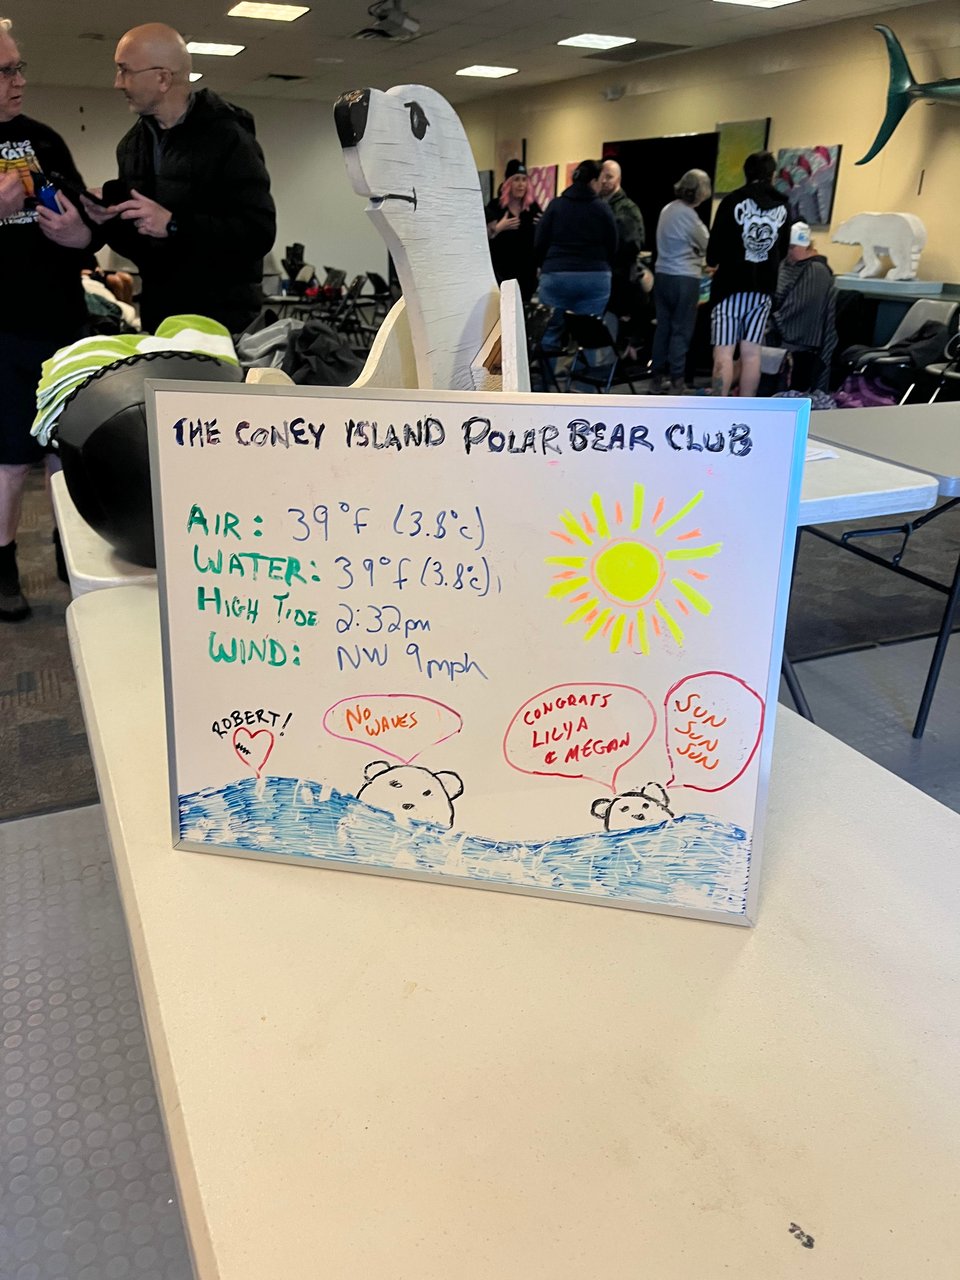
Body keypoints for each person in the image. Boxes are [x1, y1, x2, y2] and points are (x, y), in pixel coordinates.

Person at [82, 23, 276, 334]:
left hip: (223, 326)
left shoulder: (228, 138)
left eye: (125, 71)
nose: (118, 83)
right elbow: (146, 249)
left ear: (162, 78)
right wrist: (108, 220)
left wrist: (174, 224)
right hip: (163, 322)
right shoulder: (132, 147)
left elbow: (258, 233)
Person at [0, 18, 94, 621]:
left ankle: (74, 553)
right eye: (5, 71)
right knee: (9, 459)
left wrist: (78, 232)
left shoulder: (45, 140)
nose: (19, 81)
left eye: (19, 67)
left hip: (62, 324)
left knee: (67, 451)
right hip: (1, 330)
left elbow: (87, 232)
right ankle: (3, 569)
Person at [706, 150, 789, 398]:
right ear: (772, 175)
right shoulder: (784, 205)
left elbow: (714, 252)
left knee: (724, 352)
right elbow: (782, 250)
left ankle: (717, 409)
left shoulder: (732, 201)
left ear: (746, 172)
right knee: (752, 353)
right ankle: (747, 411)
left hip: (729, 288)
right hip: (763, 290)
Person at [534, 159, 617, 355]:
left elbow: (539, 241)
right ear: (594, 181)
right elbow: (613, 244)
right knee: (588, 334)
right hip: (594, 277)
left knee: (550, 331)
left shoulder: (556, 205)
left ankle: (545, 382)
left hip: (556, 276)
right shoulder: (602, 208)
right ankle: (583, 384)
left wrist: (542, 266)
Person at [649, 168, 712, 394]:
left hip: (662, 275)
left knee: (662, 329)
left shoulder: (667, 210)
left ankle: (656, 379)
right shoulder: (689, 216)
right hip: (684, 278)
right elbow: (707, 245)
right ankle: (677, 382)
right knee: (681, 332)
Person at [767, 221, 837, 392]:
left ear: (806, 246)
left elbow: (799, 308)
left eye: (792, 248)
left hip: (801, 339)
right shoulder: (787, 264)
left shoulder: (816, 270)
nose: (789, 253)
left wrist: (771, 321)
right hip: (776, 325)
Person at [598, 158, 646, 341]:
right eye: (602, 176)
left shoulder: (626, 209)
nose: (604, 181)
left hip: (619, 279)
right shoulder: (601, 205)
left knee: (612, 329)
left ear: (618, 179)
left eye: (609, 177)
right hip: (605, 276)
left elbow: (633, 245)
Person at [485, 159, 541, 304]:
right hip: (502, 274)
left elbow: (541, 238)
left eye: (524, 180)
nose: (521, 184)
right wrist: (499, 228)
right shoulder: (495, 208)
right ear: (508, 183)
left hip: (527, 275)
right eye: (516, 180)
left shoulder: (533, 209)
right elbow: (483, 240)